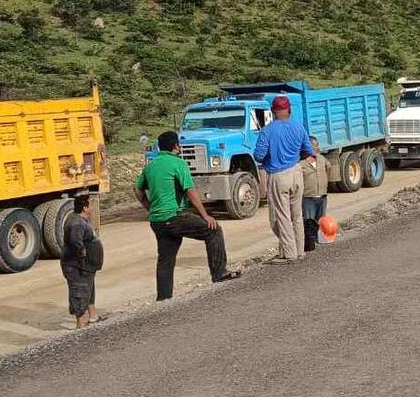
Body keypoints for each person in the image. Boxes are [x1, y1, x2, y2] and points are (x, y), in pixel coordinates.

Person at [136, 131, 241, 301]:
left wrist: (149, 207)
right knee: (213, 231)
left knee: (166, 259)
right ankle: (219, 272)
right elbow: (190, 190)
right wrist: (205, 215)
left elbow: (137, 189)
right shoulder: (178, 163)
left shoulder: (151, 166)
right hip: (174, 216)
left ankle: (163, 299)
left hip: (157, 221)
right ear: (176, 146)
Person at [253, 95, 315, 262]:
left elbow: (258, 155)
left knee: (281, 216)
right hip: (296, 172)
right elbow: (309, 150)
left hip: (278, 175)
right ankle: (299, 250)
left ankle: (289, 253)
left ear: (273, 111)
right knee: (296, 214)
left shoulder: (267, 130)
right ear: (289, 110)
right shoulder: (298, 127)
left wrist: (268, 160)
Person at [60, 194, 105, 329]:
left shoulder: (80, 220)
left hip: (86, 266)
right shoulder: (77, 223)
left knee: (89, 288)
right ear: (85, 208)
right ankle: (80, 324)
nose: (92, 207)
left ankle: (93, 316)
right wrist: (83, 256)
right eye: (91, 205)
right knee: (79, 290)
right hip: (77, 266)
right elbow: (75, 242)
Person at [300, 136, 330, 251]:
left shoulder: (321, 159)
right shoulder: (300, 164)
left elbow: (328, 168)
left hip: (322, 195)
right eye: (315, 145)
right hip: (308, 197)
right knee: (309, 221)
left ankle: (320, 240)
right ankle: (309, 243)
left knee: (321, 220)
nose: (318, 148)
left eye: (318, 145)